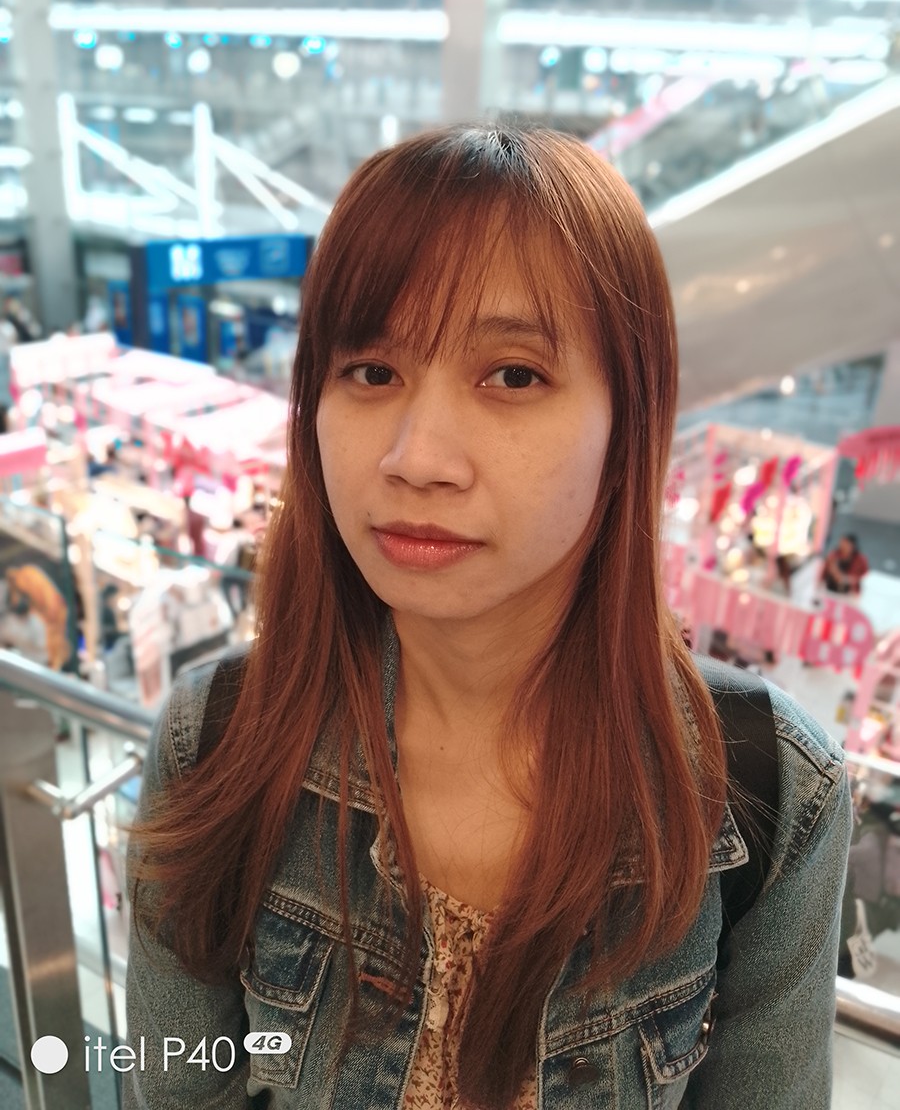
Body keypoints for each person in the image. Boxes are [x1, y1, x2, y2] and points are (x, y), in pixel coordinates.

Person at [125, 126, 851, 1110]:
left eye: (513, 375)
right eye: (371, 371)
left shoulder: (764, 788)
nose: (417, 459)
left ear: (626, 425)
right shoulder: (218, 740)